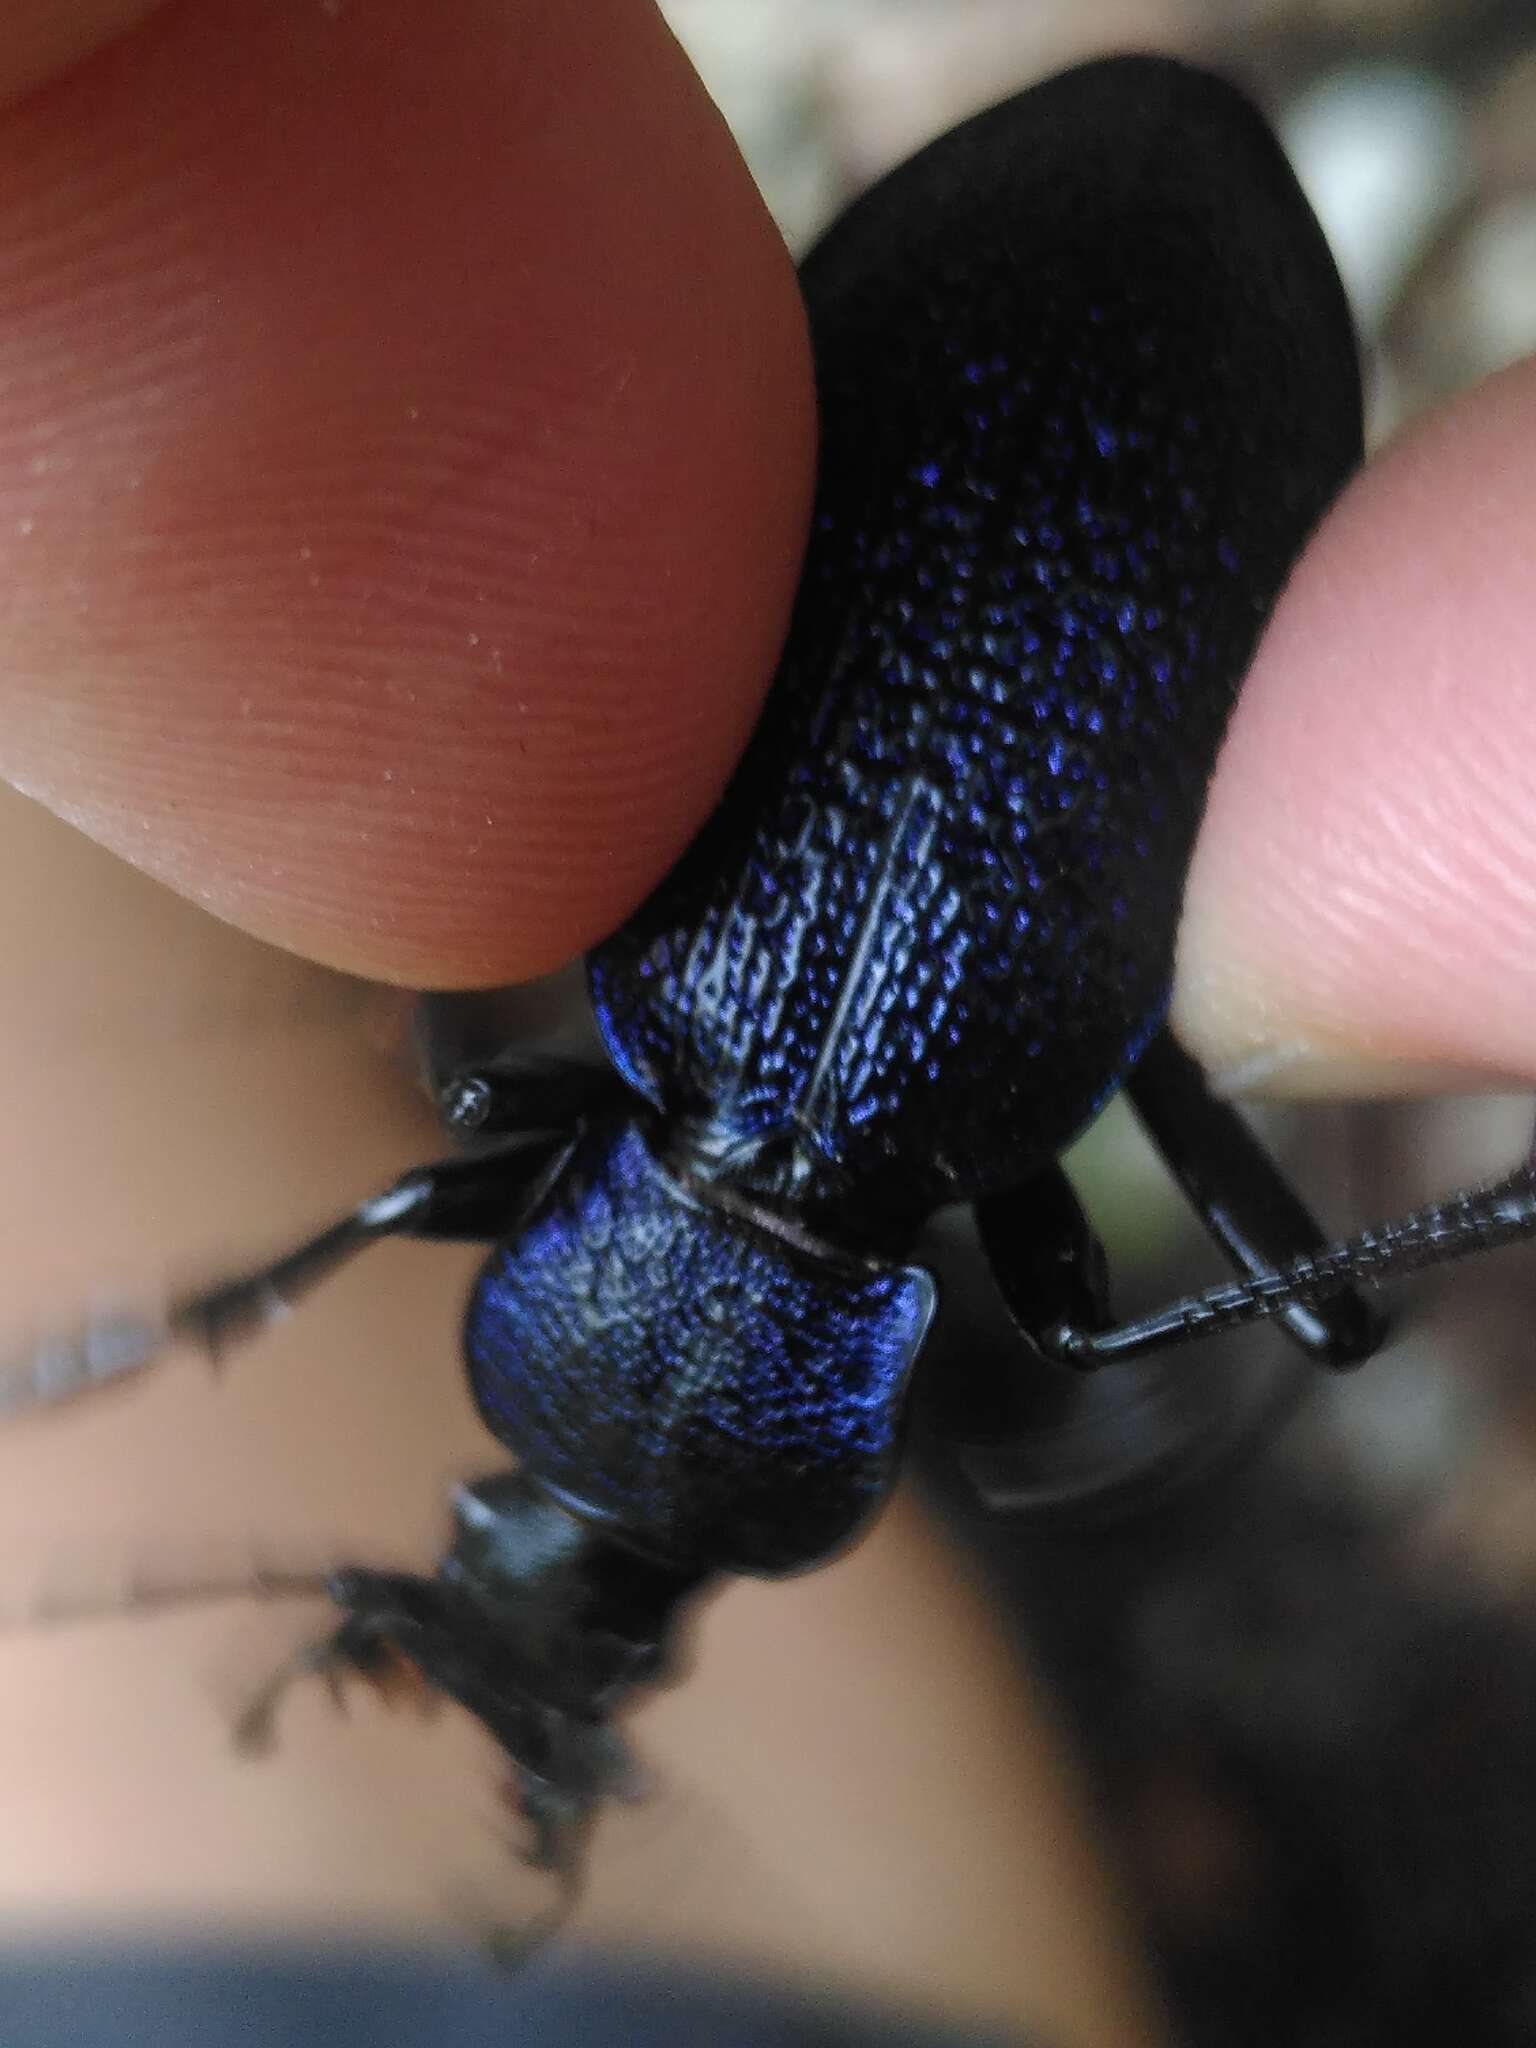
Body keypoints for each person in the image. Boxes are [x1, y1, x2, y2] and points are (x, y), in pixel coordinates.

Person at [0, 6, 1528, 2046]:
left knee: (1307, 1311)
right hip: (1106, 334)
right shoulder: (601, 1007)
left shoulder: (899, 1103)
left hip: (1116, 346)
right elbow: (424, 1163)